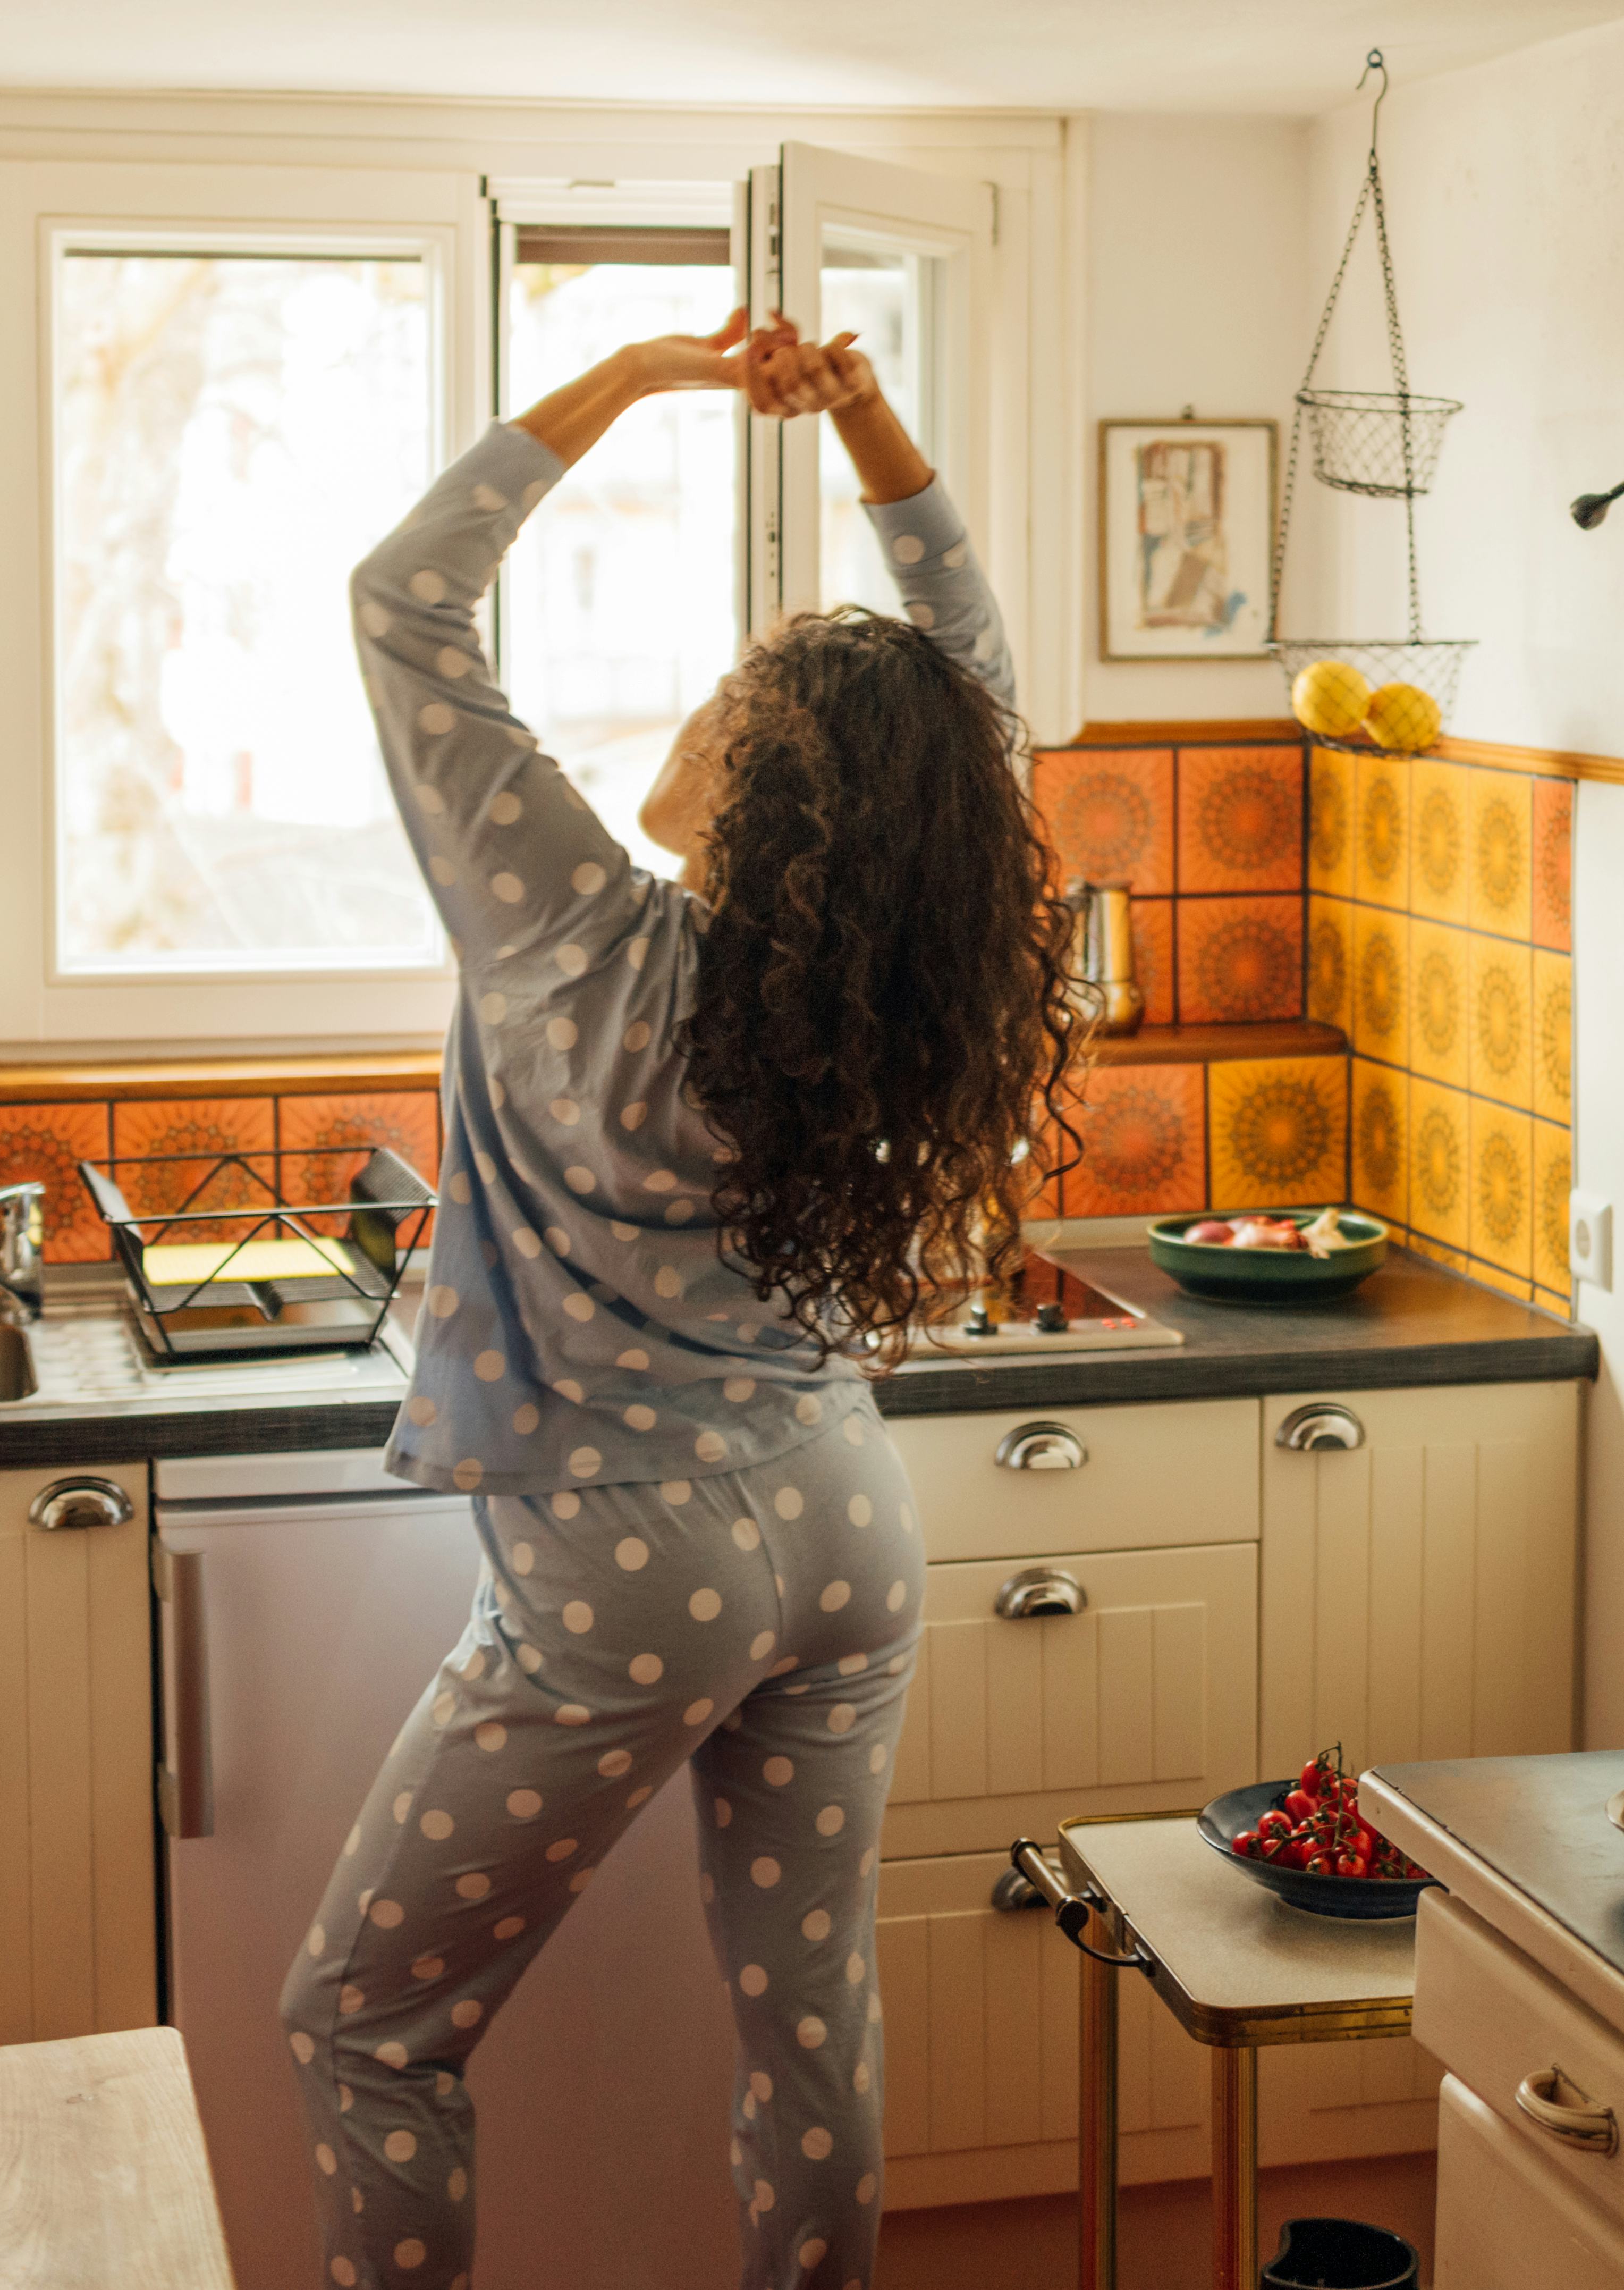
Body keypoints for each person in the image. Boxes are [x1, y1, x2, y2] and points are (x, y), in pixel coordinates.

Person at [282, 310, 1075, 2290]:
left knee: (363, 2024)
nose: (704, 701)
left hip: (632, 1570)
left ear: (768, 776)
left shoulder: (577, 939)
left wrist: (632, 383)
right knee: (809, 2029)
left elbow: (407, 603)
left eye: (736, 690)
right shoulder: (893, 987)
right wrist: (873, 417)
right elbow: (963, 680)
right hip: (842, 1522)